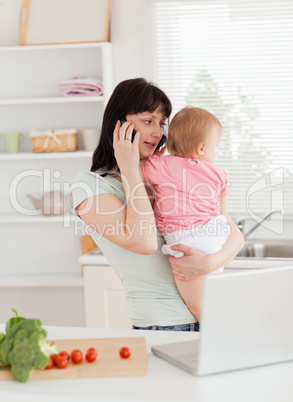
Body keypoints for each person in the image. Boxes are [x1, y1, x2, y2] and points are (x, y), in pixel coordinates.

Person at [71, 78, 244, 331]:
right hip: (164, 326)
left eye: (162, 123)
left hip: (209, 316)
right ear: (119, 124)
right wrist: (130, 168)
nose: (157, 132)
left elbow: (232, 232)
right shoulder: (89, 186)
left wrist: (208, 263)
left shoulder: (168, 172)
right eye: (148, 120)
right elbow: (143, 242)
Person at [141, 106, 241, 322]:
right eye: (216, 146)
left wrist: (157, 156)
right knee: (212, 296)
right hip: (214, 236)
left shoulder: (160, 166)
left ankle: (216, 336)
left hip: (185, 240)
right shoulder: (219, 174)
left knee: (198, 307)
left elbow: (139, 171)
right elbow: (221, 213)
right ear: (203, 147)